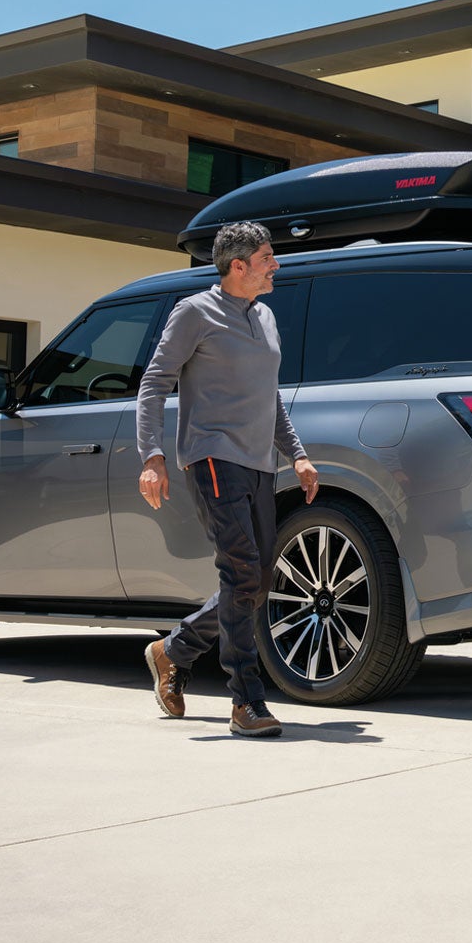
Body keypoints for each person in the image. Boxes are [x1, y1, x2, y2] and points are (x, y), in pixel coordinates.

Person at [136, 221, 319, 738]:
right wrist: (152, 456)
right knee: (241, 574)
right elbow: (154, 383)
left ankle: (173, 650)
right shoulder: (194, 312)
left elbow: (268, 395)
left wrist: (297, 454)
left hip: (259, 463)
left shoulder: (265, 316)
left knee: (255, 581)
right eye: (266, 258)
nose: (275, 265)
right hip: (213, 456)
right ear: (237, 266)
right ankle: (246, 701)